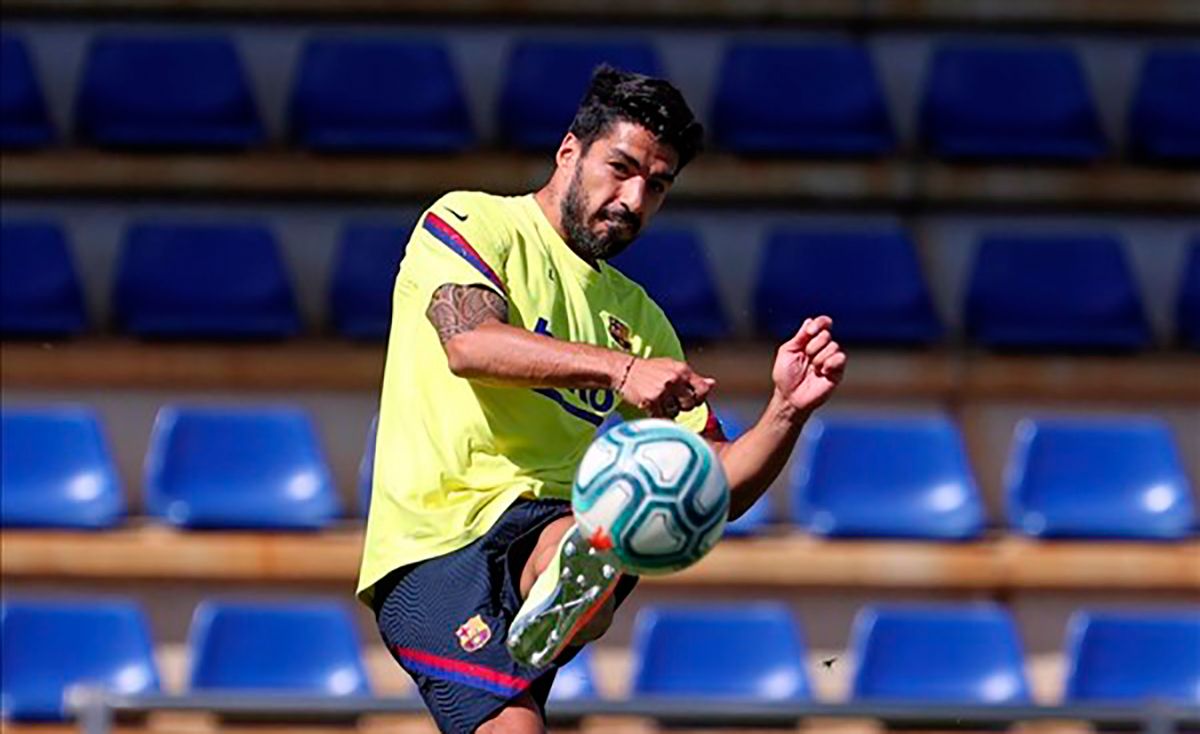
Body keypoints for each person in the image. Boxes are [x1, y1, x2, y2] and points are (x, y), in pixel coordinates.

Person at [357, 65, 847, 734]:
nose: (634, 198)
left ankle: (571, 585)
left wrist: (787, 410)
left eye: (658, 185)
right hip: (437, 540)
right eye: (620, 168)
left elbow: (716, 487)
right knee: (516, 726)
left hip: (551, 521)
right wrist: (619, 372)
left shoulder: (638, 317)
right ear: (569, 151)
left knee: (617, 518)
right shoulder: (473, 220)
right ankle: (573, 588)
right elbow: (469, 342)